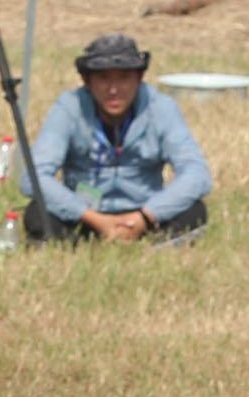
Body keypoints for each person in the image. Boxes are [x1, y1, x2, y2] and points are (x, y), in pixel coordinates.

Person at [25, 30, 209, 244]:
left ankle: (152, 247)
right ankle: (81, 244)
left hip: (145, 213)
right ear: (87, 81)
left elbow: (197, 174)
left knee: (194, 211)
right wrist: (93, 219)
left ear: (139, 79)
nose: (114, 90)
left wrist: (146, 216)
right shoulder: (68, 107)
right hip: (83, 214)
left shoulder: (161, 107)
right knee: (37, 215)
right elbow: (33, 176)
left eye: (124, 78)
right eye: (103, 78)